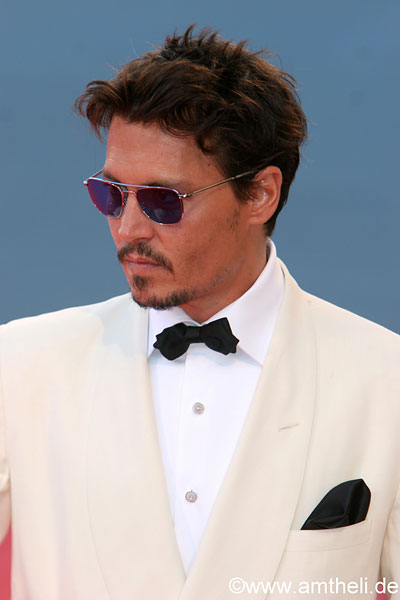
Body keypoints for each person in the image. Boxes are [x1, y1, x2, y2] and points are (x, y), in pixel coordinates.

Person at [0, 25, 399, 600]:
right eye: (110, 194)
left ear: (260, 194)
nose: (128, 230)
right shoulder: (20, 367)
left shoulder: (386, 381)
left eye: (163, 201)